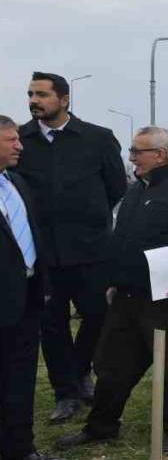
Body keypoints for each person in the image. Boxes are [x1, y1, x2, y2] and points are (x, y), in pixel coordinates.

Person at [55, 126, 168, 453]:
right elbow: (126, 239)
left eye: (136, 152)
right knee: (112, 366)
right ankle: (102, 426)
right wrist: (115, 279)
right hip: (128, 296)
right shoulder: (137, 190)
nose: (131, 158)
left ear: (159, 155)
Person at [14, 72, 128, 423]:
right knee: (51, 325)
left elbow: (116, 188)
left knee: (99, 316)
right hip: (43, 254)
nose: (34, 100)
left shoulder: (97, 139)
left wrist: (89, 218)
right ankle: (65, 393)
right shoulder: (21, 140)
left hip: (92, 250)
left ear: (63, 100)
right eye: (31, 94)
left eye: (42, 95)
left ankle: (81, 372)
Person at [0, 114, 64, 460]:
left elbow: (33, 235)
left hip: (26, 298)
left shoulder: (17, 185)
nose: (20, 145)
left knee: (21, 377)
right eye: (11, 140)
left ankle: (19, 448)